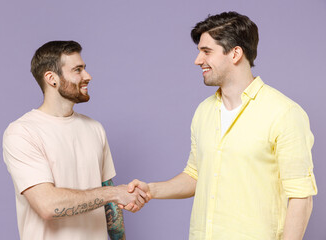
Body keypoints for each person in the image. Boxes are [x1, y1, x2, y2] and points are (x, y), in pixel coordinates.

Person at [124, 12, 317, 239]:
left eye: (206, 51)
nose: (197, 60)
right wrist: (152, 190)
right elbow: (196, 175)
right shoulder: (203, 111)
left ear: (235, 53)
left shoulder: (284, 113)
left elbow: (301, 198)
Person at [2, 40, 146, 240]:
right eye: (77, 70)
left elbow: (111, 208)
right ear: (52, 79)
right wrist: (113, 193)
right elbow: (47, 205)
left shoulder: (94, 128)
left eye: (84, 68)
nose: (88, 76)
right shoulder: (22, 132)